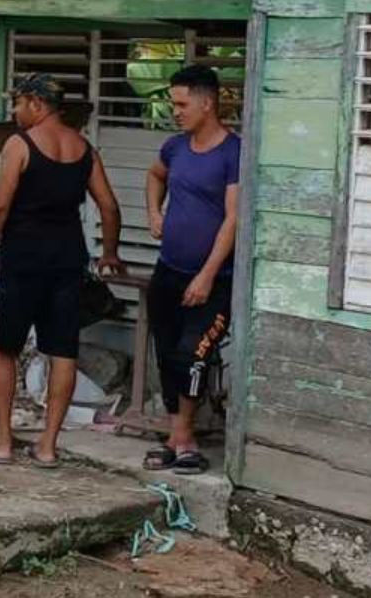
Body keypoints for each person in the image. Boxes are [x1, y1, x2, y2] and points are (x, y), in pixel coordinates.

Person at [0, 73, 124, 468]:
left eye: (18, 103)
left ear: (37, 104)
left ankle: (4, 443)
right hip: (67, 260)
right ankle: (48, 446)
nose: (14, 111)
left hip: (23, 259)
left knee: (4, 349)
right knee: (63, 352)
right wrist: (109, 252)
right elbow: (109, 206)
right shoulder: (83, 148)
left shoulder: (19, 145)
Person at [142, 65, 239, 475]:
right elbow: (153, 175)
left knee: (192, 355)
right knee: (166, 354)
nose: (175, 111)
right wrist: (153, 212)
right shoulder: (175, 148)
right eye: (173, 103)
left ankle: (186, 435)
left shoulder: (233, 152)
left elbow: (232, 219)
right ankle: (176, 437)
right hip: (169, 271)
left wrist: (206, 274)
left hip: (213, 280)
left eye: (182, 104)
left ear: (207, 102)